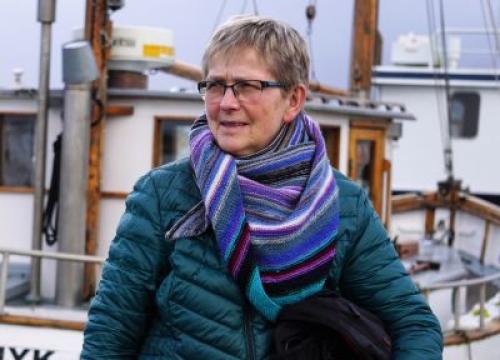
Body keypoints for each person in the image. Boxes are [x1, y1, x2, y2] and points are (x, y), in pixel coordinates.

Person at [81, 15, 442, 359]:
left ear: (294, 100)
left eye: (247, 86)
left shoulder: (343, 204)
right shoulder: (163, 195)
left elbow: (414, 324)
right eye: (215, 85)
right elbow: (108, 340)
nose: (226, 103)